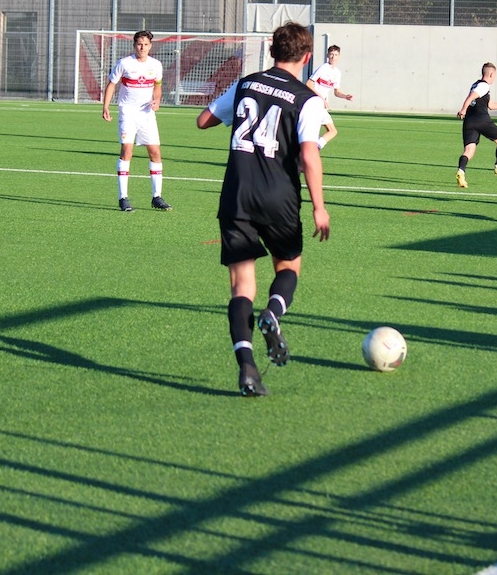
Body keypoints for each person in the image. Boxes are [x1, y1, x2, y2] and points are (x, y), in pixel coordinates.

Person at [195, 22, 331, 397]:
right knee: (288, 267)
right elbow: (309, 154)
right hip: (279, 197)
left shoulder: (245, 85)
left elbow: (203, 120)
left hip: (237, 195)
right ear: (307, 57)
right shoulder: (307, 99)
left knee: (241, 286)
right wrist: (319, 207)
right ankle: (273, 312)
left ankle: (248, 369)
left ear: (272, 51)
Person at [102, 30, 171, 212]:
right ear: (134, 45)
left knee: (155, 152)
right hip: (128, 113)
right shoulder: (125, 63)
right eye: (139, 44)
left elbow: (157, 87)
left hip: (147, 115)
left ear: (150, 46)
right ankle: (123, 198)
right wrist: (106, 107)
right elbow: (111, 84)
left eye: (146, 44)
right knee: (127, 151)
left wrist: (157, 100)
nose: (142, 47)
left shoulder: (156, 65)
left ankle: (157, 197)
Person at [455, 62, 497, 188]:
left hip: (469, 122)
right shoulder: (484, 86)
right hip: (482, 120)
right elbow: (470, 97)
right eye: (495, 75)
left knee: (469, 150)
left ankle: (461, 172)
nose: (495, 78)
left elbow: (490, 105)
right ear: (491, 74)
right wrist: (463, 109)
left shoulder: (476, 84)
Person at [306, 44, 353, 151]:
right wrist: (321, 99)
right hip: (315, 103)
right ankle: (314, 149)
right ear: (327, 55)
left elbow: (337, 92)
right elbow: (309, 84)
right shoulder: (323, 68)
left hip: (320, 105)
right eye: (331, 54)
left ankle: (313, 148)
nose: (333, 57)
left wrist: (345, 96)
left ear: (339, 56)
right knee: (332, 131)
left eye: (335, 55)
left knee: (329, 131)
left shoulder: (337, 73)